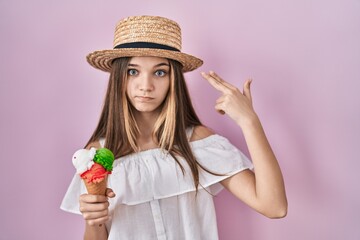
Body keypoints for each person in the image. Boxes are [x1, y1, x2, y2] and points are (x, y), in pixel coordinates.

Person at [61, 15, 287, 240]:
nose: (146, 86)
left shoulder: (199, 143)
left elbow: (274, 206)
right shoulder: (97, 155)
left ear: (174, 80)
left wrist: (250, 122)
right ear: (118, 77)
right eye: (133, 71)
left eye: (160, 72)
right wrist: (94, 221)